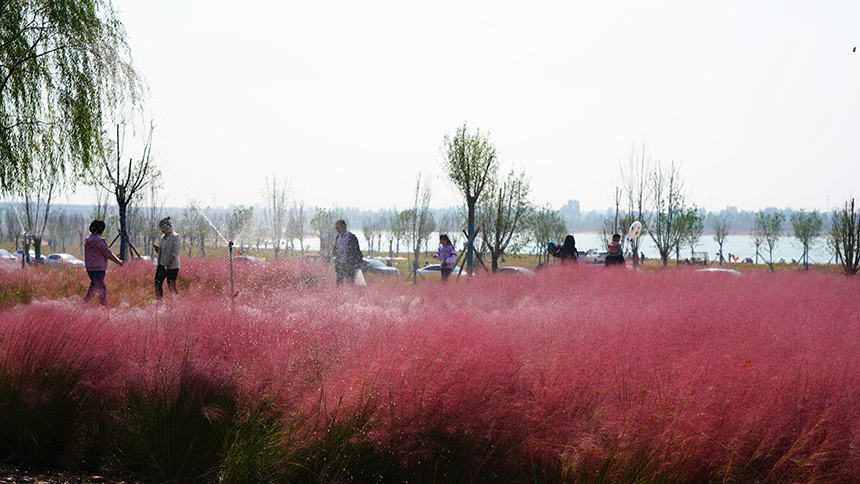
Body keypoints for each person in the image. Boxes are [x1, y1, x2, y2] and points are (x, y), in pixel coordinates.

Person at [83, 219, 123, 306]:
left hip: (90, 269)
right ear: (101, 230)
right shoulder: (100, 241)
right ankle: (81, 308)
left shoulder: (87, 240)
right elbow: (108, 254)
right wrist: (118, 261)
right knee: (93, 291)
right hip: (99, 270)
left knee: (102, 290)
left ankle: (104, 307)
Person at [152, 216, 181, 299]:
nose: (162, 230)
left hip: (172, 266)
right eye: (161, 228)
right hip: (161, 264)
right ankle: (159, 301)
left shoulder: (175, 236)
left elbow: (176, 251)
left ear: (168, 227)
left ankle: (175, 303)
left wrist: (170, 262)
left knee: (171, 285)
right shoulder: (162, 237)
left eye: (163, 228)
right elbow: (162, 251)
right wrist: (157, 249)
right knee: (157, 283)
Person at [331, 219, 363, 285]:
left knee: (350, 282)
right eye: (336, 228)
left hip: (349, 264)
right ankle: (339, 295)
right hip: (340, 264)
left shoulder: (351, 237)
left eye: (338, 227)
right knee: (339, 283)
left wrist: (359, 261)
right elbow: (334, 250)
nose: (337, 230)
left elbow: (357, 250)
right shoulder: (338, 237)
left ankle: (350, 294)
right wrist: (336, 252)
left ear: (344, 227)